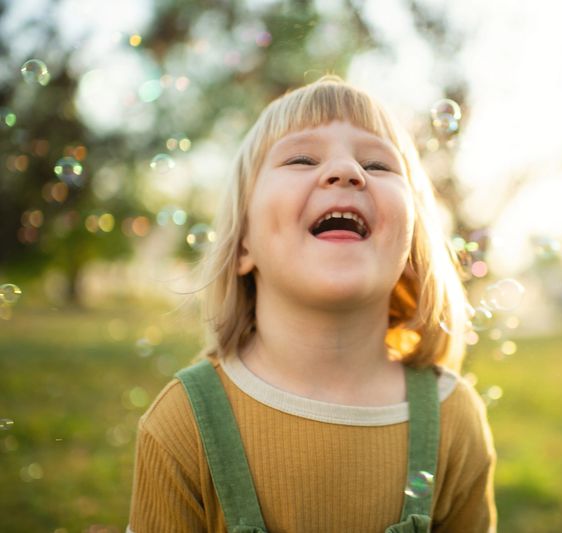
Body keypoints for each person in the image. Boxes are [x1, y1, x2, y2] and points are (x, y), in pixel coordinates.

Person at [127, 76, 496, 532]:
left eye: (378, 164)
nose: (346, 172)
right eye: (302, 158)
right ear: (243, 244)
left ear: (410, 245)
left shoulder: (452, 419)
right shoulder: (184, 424)